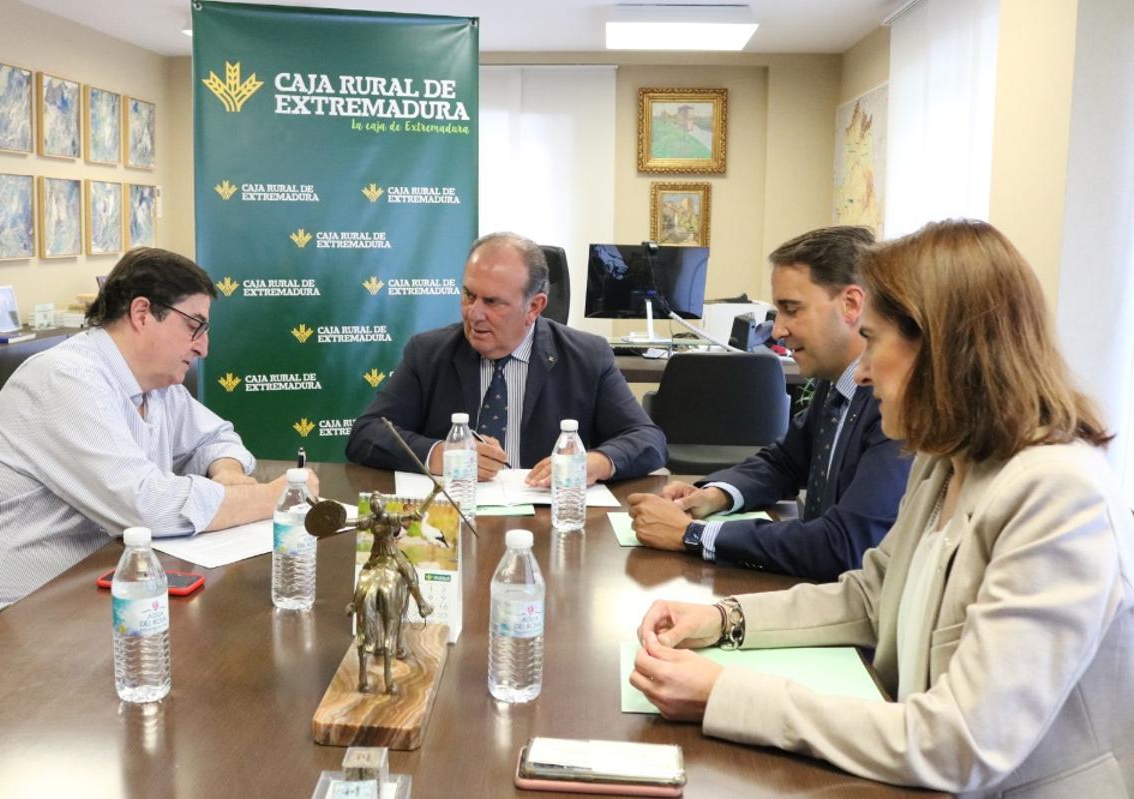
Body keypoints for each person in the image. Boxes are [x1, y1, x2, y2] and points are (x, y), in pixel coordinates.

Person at [630, 220, 1134, 796]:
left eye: (872, 340)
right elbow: (871, 597)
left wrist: (727, 694)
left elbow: (962, 742)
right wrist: (723, 618)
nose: (862, 371)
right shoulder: (944, 462)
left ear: (941, 348)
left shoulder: (1058, 494)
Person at [0, 248, 318, 610]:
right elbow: (145, 506)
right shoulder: (64, 379)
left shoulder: (158, 385)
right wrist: (273, 499)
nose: (204, 347)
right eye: (195, 326)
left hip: (85, 592)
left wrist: (228, 473)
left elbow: (215, 438)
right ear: (142, 313)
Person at [629, 226, 911, 581]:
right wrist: (716, 495)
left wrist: (693, 535)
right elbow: (785, 462)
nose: (777, 331)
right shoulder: (834, 383)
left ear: (851, 304)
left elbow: (846, 545)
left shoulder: (896, 406)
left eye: (792, 310)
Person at [346, 232, 667, 486]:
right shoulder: (429, 353)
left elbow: (648, 440)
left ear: (535, 307)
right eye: (469, 295)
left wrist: (595, 462)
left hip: (548, 523)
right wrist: (439, 455)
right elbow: (366, 434)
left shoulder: (586, 356)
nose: (475, 314)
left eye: (493, 302)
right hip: (454, 520)